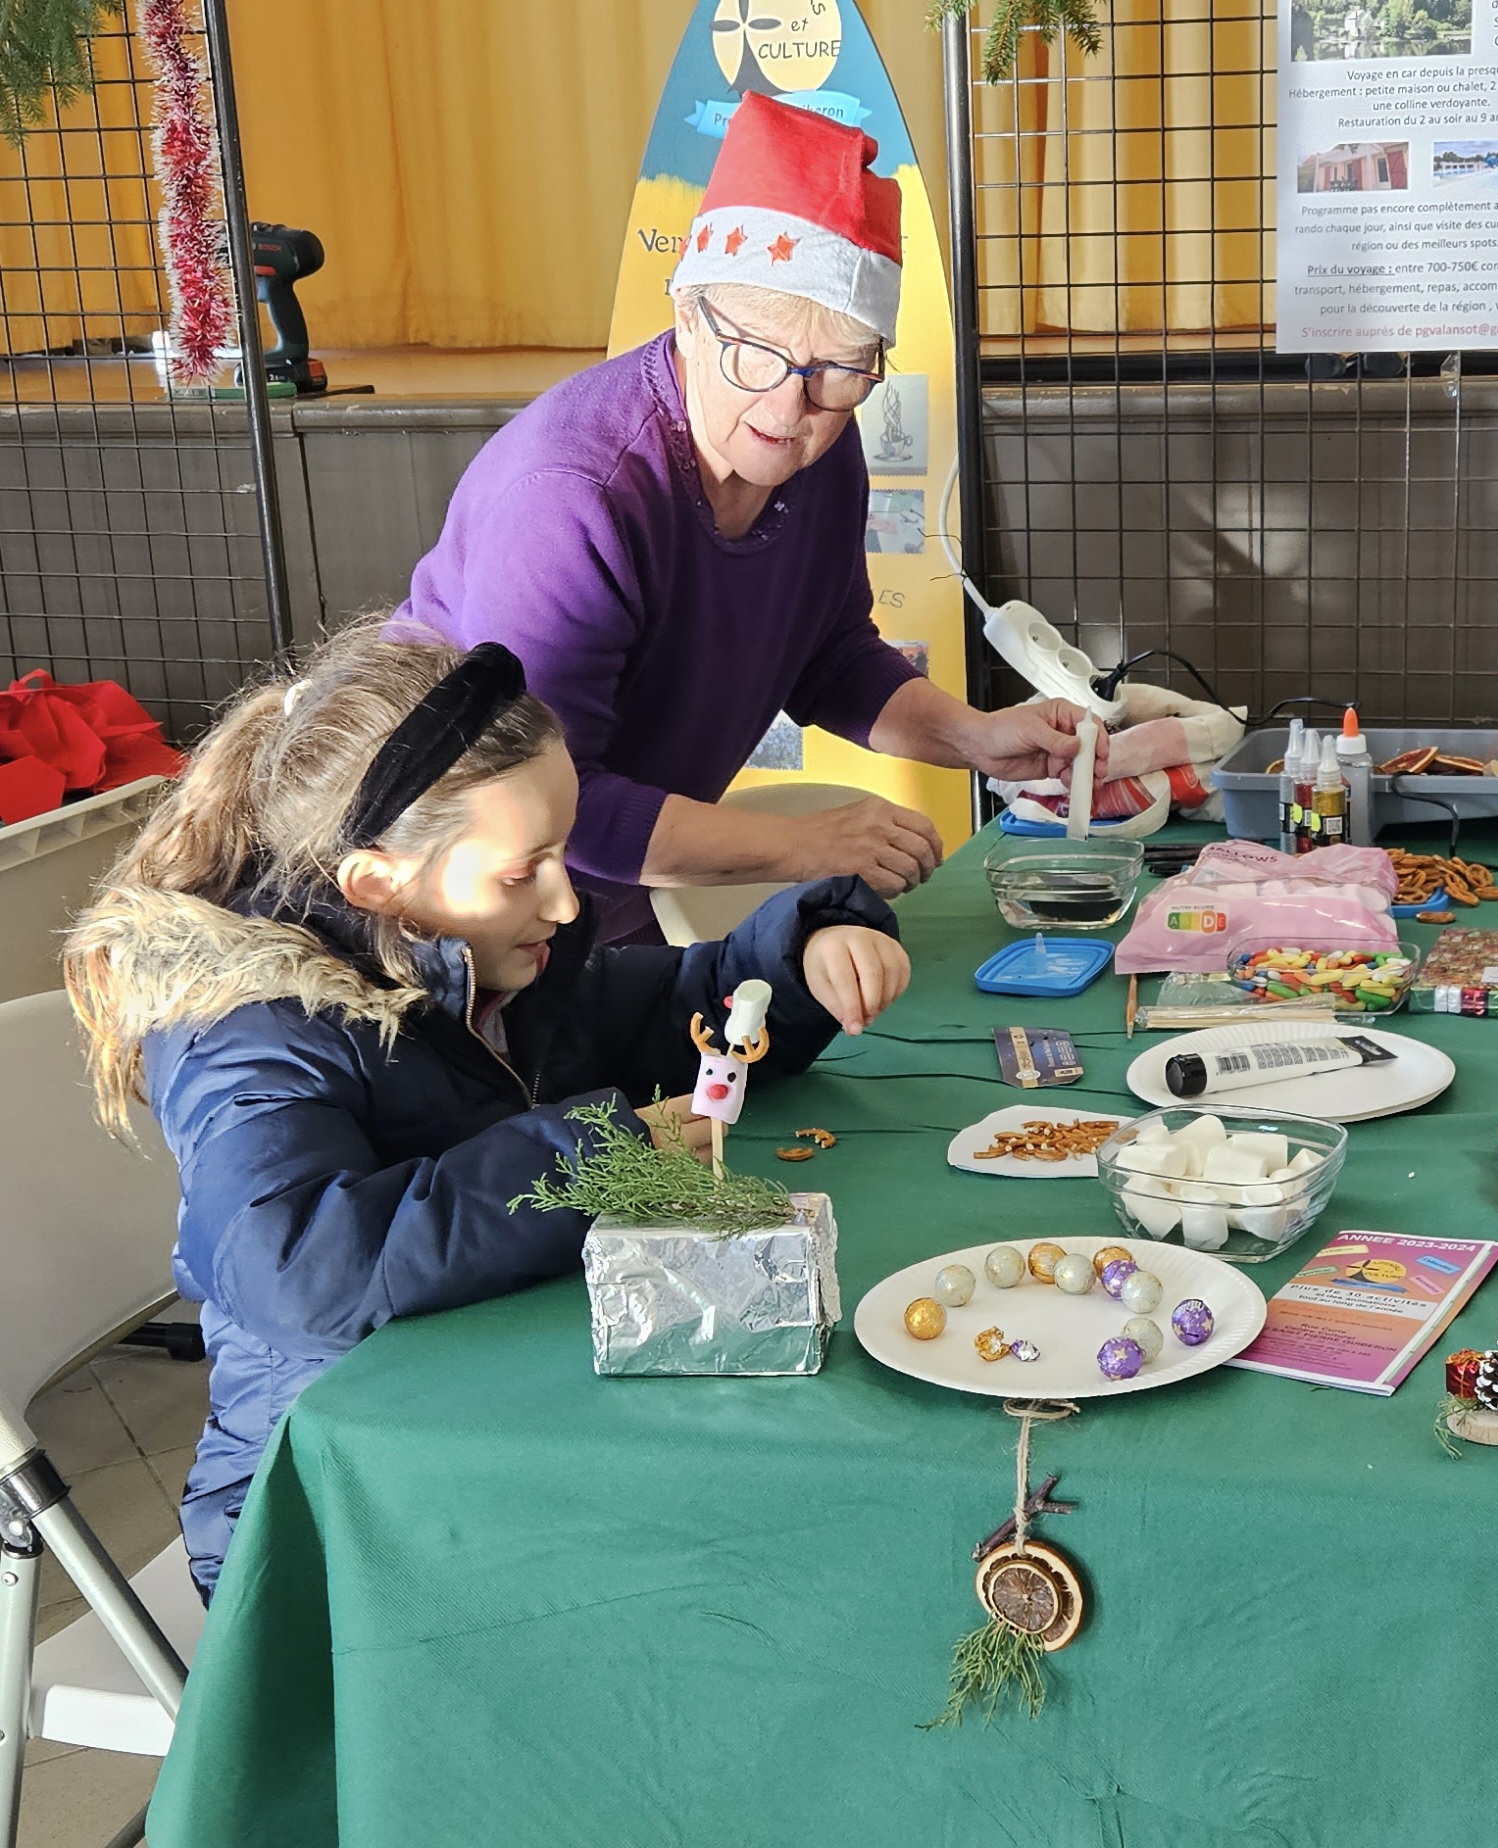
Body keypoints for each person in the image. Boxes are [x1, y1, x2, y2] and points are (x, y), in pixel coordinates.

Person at [63, 625, 911, 1598]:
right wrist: (579, 1166)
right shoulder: (255, 1031)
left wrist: (800, 957)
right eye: (523, 871)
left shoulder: (484, 967)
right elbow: (296, 1268)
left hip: (492, 1433)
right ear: (381, 884)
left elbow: (681, 999)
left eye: (562, 851)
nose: (561, 902)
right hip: (330, 1524)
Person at [399, 93, 1098, 942]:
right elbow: (551, 801)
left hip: (621, 888)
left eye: (838, 370)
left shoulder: (819, 446)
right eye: (755, 354)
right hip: (461, 891)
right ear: (687, 317)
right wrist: (801, 847)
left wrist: (974, 736)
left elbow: (828, 656)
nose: (789, 403)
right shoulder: (572, 494)